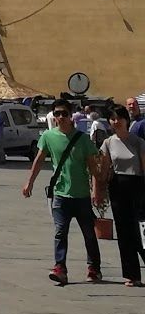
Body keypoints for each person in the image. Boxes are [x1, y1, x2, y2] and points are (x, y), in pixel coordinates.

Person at [24, 97, 106, 285]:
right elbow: (38, 160)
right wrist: (29, 182)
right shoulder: (48, 136)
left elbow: (93, 167)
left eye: (64, 113)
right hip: (60, 195)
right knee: (60, 232)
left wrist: (97, 191)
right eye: (57, 113)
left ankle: (94, 268)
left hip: (82, 195)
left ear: (71, 116)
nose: (61, 117)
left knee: (88, 233)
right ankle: (60, 268)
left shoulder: (83, 139)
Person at [96, 104, 145, 288]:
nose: (116, 122)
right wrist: (98, 190)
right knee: (124, 233)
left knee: (139, 231)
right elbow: (102, 169)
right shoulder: (109, 142)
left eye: (119, 118)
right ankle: (132, 275)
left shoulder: (138, 142)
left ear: (126, 120)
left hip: (137, 187)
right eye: (112, 119)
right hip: (117, 187)